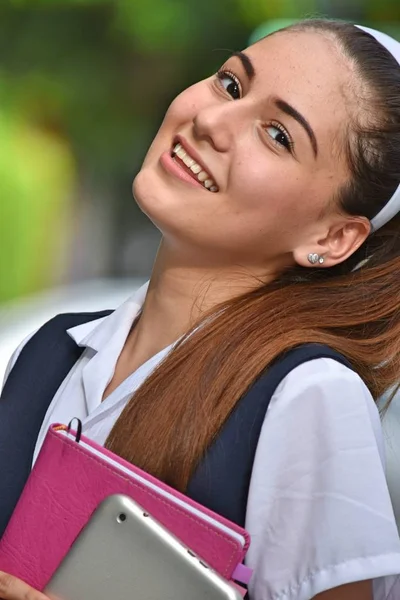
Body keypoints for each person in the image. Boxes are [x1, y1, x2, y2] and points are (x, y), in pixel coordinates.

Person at [0, 17, 400, 600]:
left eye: (278, 135)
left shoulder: (307, 395)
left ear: (332, 238)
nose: (211, 121)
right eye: (231, 84)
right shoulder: (51, 350)